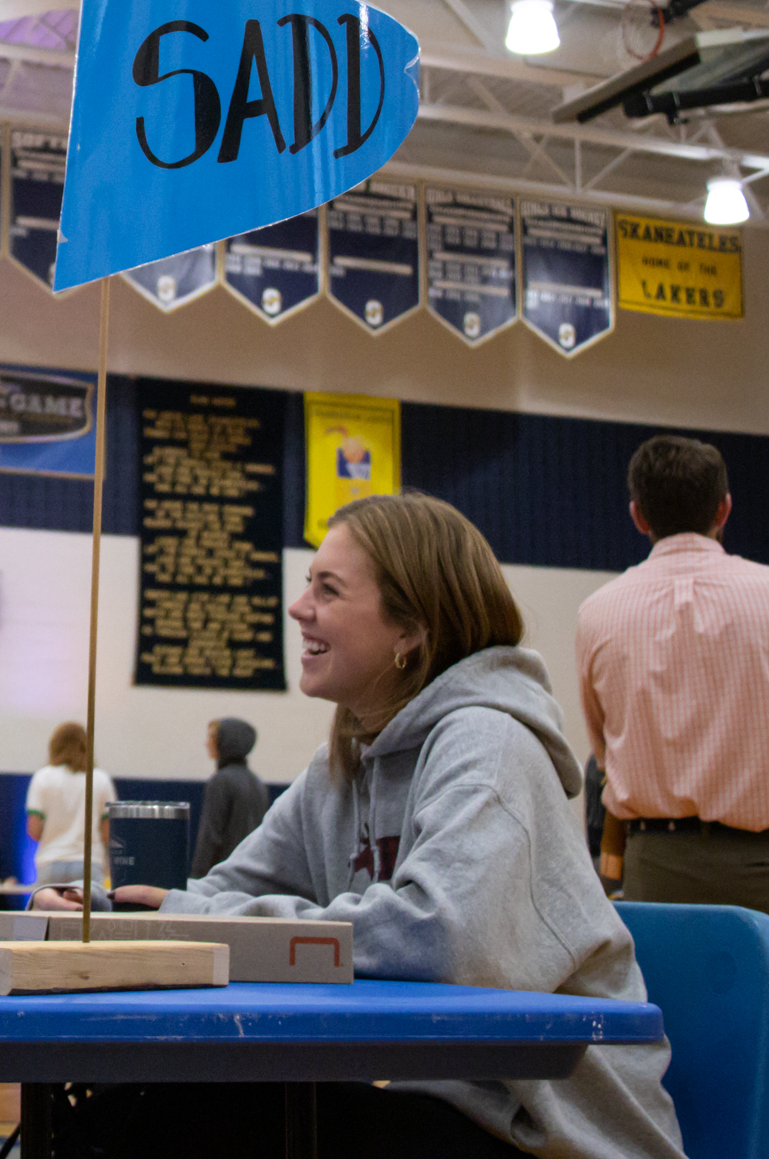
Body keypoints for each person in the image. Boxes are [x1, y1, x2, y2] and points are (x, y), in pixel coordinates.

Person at [38, 492, 684, 1158]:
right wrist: (103, 912)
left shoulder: (489, 744)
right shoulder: (341, 762)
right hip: (441, 1104)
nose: (298, 608)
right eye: (306, 585)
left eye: (329, 589)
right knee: (141, 1100)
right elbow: (217, 894)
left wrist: (186, 914)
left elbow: (445, 944)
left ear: (410, 629)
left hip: (545, 1135)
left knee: (195, 1112)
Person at [577, 433, 769, 925]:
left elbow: (605, 752)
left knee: (671, 1004)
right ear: (724, 509)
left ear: (638, 516)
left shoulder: (598, 612)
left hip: (658, 867)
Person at [25, 724, 116, 890]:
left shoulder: (42, 777)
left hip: (51, 861)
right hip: (89, 863)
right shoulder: (101, 779)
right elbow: (107, 833)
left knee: (49, 914)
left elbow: (34, 831)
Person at [189, 717, 268, 877]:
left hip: (223, 878)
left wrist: (195, 880)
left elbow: (210, 837)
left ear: (227, 741)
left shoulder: (221, 781)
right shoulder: (257, 782)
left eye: (212, 737)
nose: (207, 743)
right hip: (251, 875)